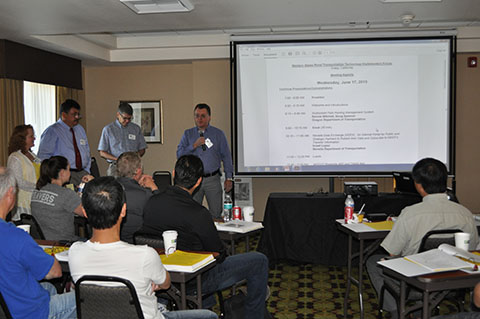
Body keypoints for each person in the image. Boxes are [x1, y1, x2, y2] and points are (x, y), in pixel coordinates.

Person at [68, 176, 218, 319]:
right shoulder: (145, 255)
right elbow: (165, 283)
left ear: (85, 213)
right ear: (123, 210)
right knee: (209, 316)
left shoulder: (75, 253)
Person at [142, 155, 269, 319]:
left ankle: (202, 304)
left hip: (160, 276)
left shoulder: (151, 203)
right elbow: (218, 253)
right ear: (198, 182)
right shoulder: (199, 213)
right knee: (259, 260)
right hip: (194, 281)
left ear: (174, 174)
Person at [366, 158, 479, 319]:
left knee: (372, 262)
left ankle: (396, 312)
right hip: (452, 282)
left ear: (418, 184)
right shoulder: (465, 213)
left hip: (414, 281)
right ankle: (423, 309)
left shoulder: (410, 213)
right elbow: (471, 249)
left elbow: (392, 253)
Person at [0, 167, 76, 319]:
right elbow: (55, 272)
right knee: (84, 297)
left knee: (48, 288)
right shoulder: (16, 237)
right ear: (10, 193)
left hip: (7, 306)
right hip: (31, 313)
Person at [177, 103, 233, 218]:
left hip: (212, 179)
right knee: (193, 213)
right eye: (197, 116)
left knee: (216, 213)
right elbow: (179, 154)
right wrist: (193, 145)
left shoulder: (218, 134)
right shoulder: (188, 134)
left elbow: (226, 156)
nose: (199, 119)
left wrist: (229, 178)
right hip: (194, 179)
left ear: (209, 117)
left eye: (203, 116)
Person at [31, 156, 90, 241]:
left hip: (42, 242)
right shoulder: (65, 194)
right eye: (69, 169)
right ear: (62, 173)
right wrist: (93, 185)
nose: (70, 173)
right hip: (63, 243)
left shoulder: (37, 190)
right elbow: (88, 213)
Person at [38, 99, 91, 186]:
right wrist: (55, 176)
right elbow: (43, 157)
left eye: (78, 114)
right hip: (64, 176)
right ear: (64, 114)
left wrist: (87, 171)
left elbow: (87, 151)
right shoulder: (52, 131)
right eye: (74, 114)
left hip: (83, 174)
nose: (77, 117)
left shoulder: (80, 129)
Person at [116, 151, 158, 243]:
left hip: (112, 243)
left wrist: (137, 182)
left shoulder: (108, 188)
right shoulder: (145, 194)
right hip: (137, 244)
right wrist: (154, 188)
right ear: (138, 171)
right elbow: (162, 211)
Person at [98, 102, 147, 176]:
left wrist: (133, 158)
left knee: (134, 187)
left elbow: (142, 149)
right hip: (116, 167)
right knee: (115, 187)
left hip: (133, 167)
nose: (127, 121)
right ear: (118, 114)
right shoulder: (108, 129)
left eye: (129, 118)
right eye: (125, 118)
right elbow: (102, 152)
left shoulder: (136, 129)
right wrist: (118, 160)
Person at [6, 124, 42, 221]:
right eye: (31, 136)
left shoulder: (33, 155)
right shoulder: (15, 158)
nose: (34, 138)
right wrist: (38, 186)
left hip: (35, 199)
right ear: (22, 139)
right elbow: (18, 182)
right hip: (23, 203)